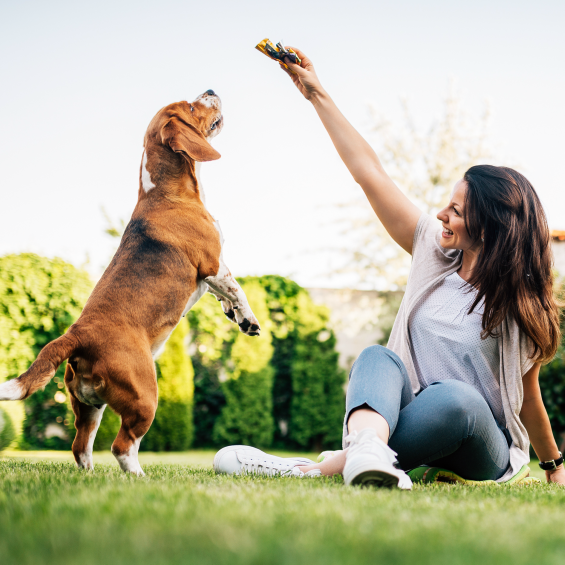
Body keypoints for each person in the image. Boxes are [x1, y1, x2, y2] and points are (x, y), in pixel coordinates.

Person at [214, 47, 565, 489]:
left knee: (456, 398)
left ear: (489, 228)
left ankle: (316, 467)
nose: (440, 215)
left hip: (481, 445)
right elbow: (370, 173)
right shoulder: (433, 253)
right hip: (412, 420)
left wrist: (554, 467)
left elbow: (529, 397)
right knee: (378, 356)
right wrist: (315, 93)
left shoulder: (519, 307)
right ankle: (367, 457)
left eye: (455, 210)